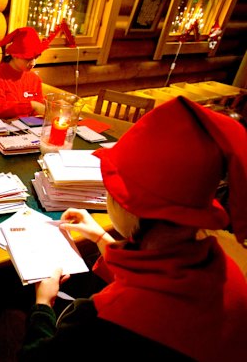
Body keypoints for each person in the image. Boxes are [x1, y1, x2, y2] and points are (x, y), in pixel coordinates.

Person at [20, 96, 247, 361]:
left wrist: (43, 304)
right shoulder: (228, 274)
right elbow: (155, 274)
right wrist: (100, 236)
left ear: (131, 205)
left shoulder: (102, 318)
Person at [0, 27, 53, 119]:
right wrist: (31, 106)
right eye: (28, 58)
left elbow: (39, 107)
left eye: (36, 57)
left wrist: (52, 106)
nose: (33, 63)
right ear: (14, 55)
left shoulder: (34, 79)